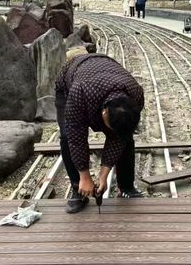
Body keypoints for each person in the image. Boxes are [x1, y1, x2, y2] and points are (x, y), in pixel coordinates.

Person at [55, 54, 145, 213]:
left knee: (124, 135)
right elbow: (77, 139)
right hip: (70, 84)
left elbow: (118, 138)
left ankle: (126, 187)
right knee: (67, 136)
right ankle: (79, 189)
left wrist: (103, 175)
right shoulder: (80, 92)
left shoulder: (136, 93)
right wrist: (85, 175)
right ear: (104, 114)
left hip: (104, 73)